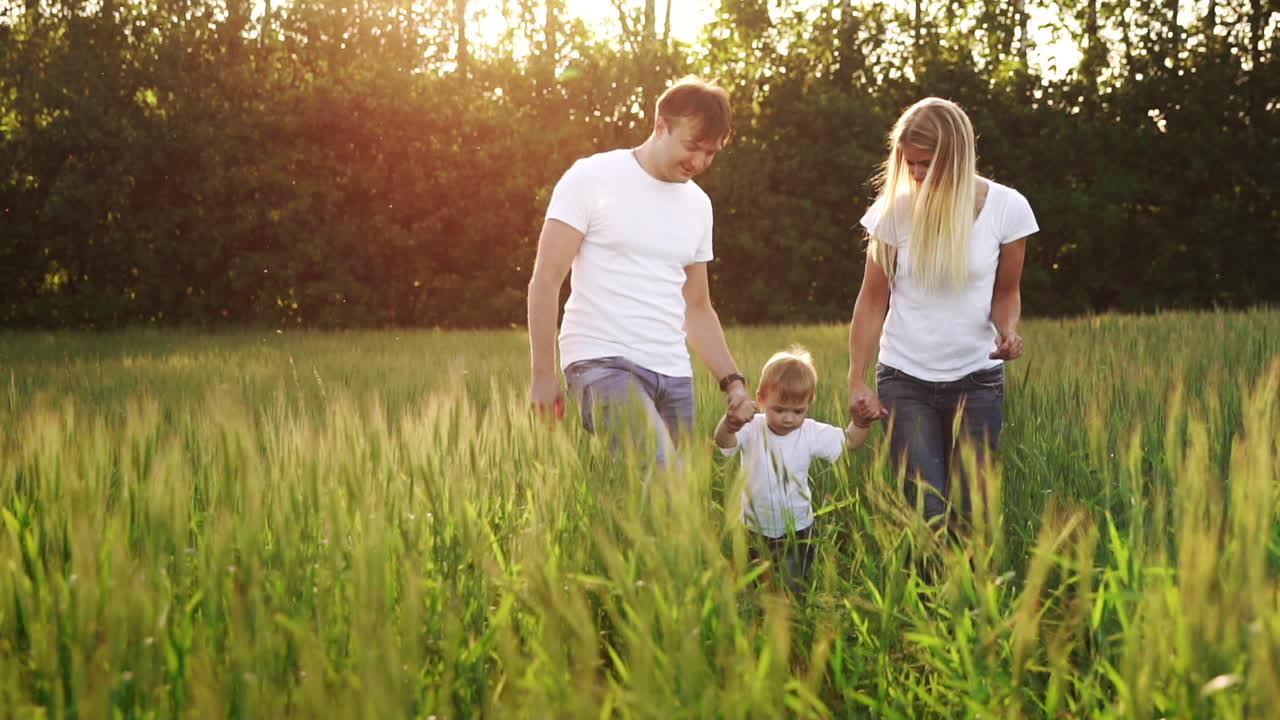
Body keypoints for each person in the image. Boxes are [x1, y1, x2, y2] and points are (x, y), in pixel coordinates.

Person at [527, 76, 754, 468]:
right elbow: (546, 279)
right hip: (602, 363)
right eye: (692, 146)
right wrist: (542, 374)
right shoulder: (592, 177)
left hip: (673, 374)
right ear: (660, 126)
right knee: (665, 478)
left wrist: (731, 381)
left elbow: (697, 308)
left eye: (711, 153)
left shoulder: (699, 206)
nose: (700, 162)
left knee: (667, 507)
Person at [847, 97, 1038, 534]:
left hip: (978, 378)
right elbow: (872, 301)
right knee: (926, 515)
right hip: (905, 379)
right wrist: (857, 377)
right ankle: (927, 601)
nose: (914, 174)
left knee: (971, 516)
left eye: (925, 164)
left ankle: (968, 601)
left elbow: (1006, 292)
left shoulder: (1008, 209)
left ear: (956, 156)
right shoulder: (893, 213)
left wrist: (1008, 331)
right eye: (908, 163)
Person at [716, 348, 879, 587]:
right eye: (779, 409)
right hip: (753, 529)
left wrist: (861, 421)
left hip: (798, 531)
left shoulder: (811, 432)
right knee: (755, 590)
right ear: (760, 399)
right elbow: (723, 441)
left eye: (798, 411)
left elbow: (850, 441)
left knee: (796, 587)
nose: (789, 418)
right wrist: (730, 424)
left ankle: (793, 619)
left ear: (809, 403)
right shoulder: (751, 428)